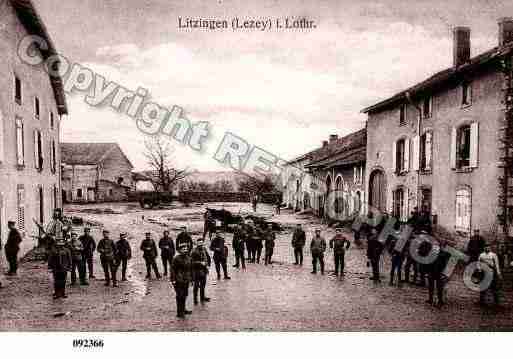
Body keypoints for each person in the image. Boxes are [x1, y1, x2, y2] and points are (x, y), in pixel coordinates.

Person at [170, 243, 193, 318]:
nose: (185, 250)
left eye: (186, 249)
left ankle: (183, 309)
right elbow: (172, 269)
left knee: (185, 295)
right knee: (180, 296)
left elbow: (190, 269)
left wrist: (191, 279)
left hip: (186, 280)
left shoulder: (188, 257)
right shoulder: (176, 258)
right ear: (179, 250)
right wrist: (173, 280)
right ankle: (179, 312)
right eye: (183, 249)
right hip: (178, 280)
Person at [426, 239, 451, 308]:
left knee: (439, 288)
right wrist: (428, 272)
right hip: (432, 271)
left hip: (440, 273)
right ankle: (430, 299)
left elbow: (447, 264)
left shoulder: (445, 254)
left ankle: (440, 301)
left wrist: (444, 274)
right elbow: (429, 262)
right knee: (431, 286)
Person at [191, 238, 211, 305]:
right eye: (199, 243)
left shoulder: (204, 249)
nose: (200, 244)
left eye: (201, 243)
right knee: (196, 286)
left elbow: (208, 257)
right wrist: (200, 263)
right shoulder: (194, 251)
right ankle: (195, 299)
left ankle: (202, 298)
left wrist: (208, 265)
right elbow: (191, 262)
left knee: (203, 285)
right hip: (196, 271)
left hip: (204, 270)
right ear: (197, 243)